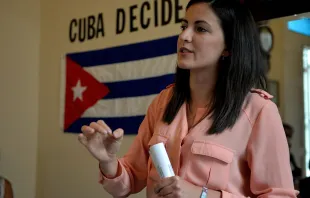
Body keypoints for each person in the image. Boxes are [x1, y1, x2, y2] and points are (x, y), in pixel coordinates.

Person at [78, 0, 298, 197]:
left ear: (228, 47)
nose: (184, 36)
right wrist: (107, 161)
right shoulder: (164, 102)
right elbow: (129, 181)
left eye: (200, 28)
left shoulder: (259, 111)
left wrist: (203, 195)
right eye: (184, 26)